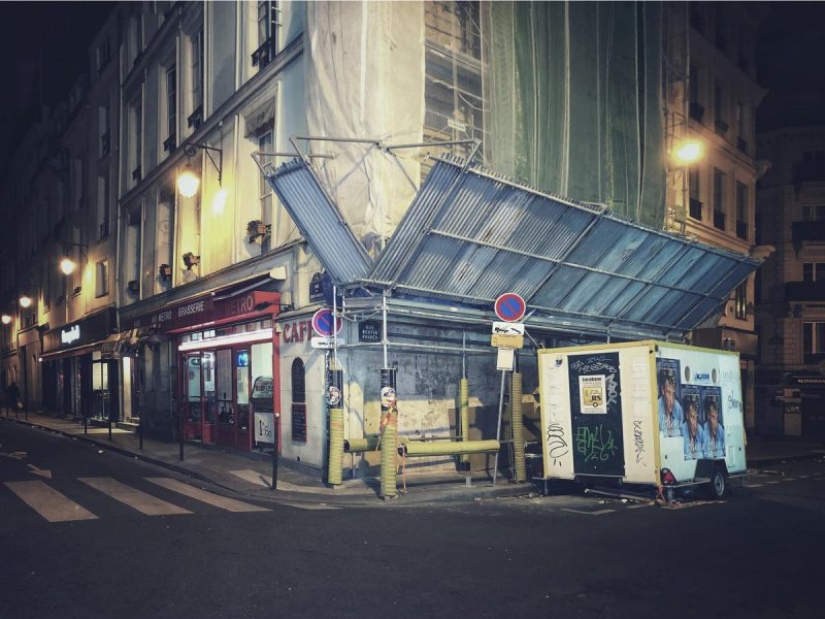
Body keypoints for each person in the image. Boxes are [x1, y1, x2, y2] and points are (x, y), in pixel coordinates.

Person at [657, 370, 683, 437]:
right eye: (669, 392)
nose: (672, 400)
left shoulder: (678, 409)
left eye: (673, 393)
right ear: (663, 390)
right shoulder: (656, 409)